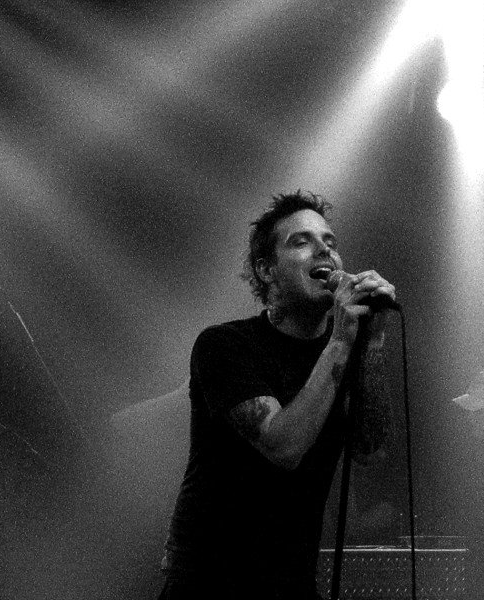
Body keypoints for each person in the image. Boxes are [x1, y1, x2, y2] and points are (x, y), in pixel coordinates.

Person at [159, 190, 396, 599]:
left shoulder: (343, 351)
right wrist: (342, 341)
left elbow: (371, 450)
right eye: (301, 241)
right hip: (208, 583)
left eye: (330, 241)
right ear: (267, 271)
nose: (324, 249)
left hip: (292, 581)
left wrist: (372, 344)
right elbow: (283, 447)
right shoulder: (225, 346)